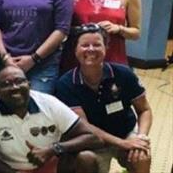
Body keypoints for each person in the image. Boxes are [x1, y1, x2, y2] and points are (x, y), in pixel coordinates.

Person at [55, 24, 152, 173]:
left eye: (97, 45)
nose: (91, 49)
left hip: (125, 132)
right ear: (75, 50)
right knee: (85, 159)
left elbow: (144, 109)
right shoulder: (66, 84)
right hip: (93, 141)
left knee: (141, 155)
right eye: (85, 45)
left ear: (106, 48)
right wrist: (122, 144)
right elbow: (85, 127)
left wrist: (142, 137)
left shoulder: (123, 74)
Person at [0, 66, 100, 173]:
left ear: (29, 85)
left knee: (87, 158)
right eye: (6, 84)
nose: (14, 87)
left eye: (19, 81)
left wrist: (54, 149)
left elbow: (93, 138)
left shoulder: (49, 103)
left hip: (52, 165)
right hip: (10, 168)